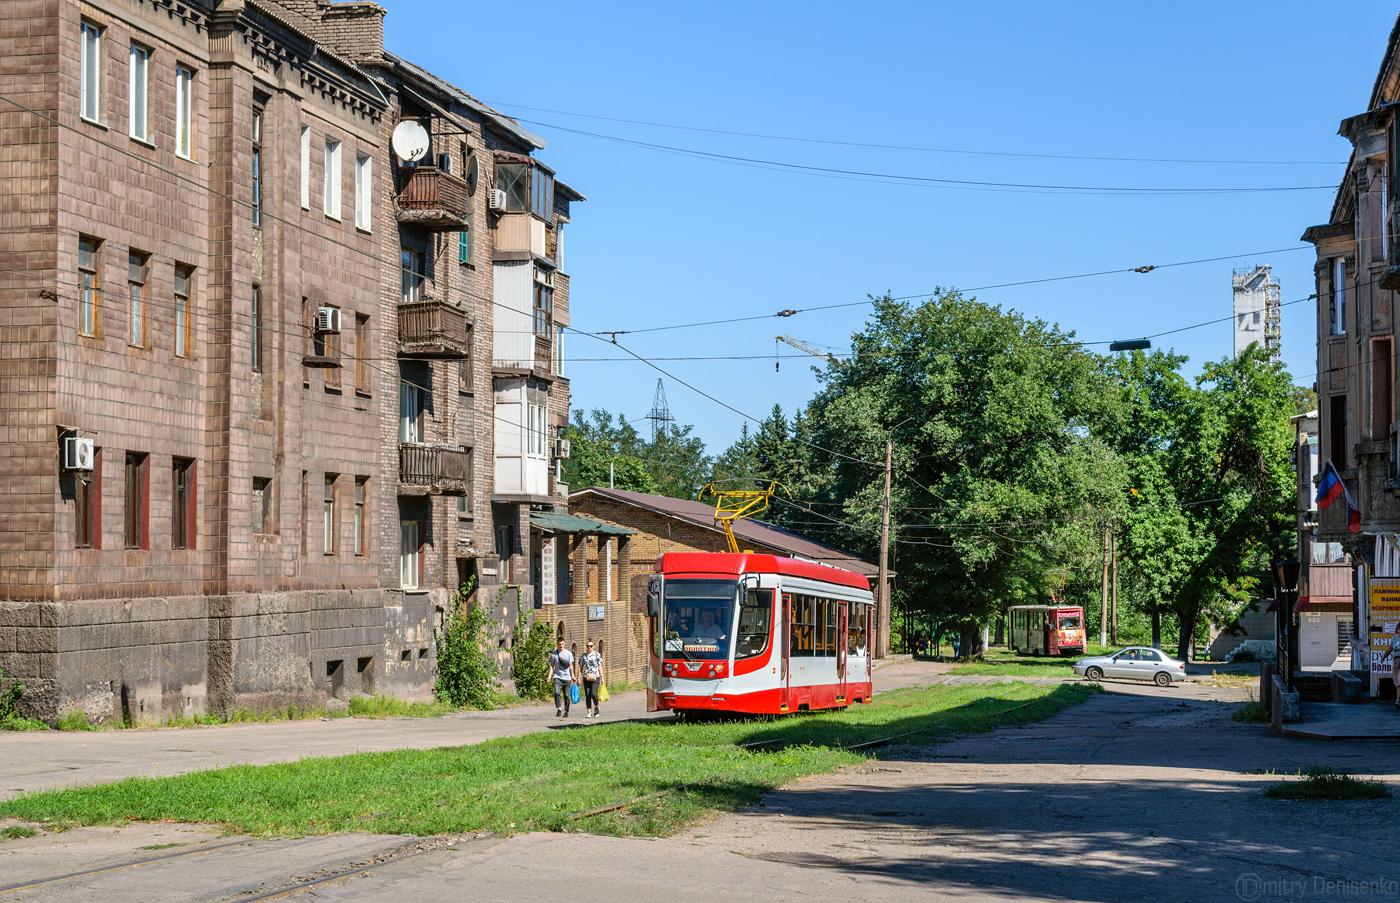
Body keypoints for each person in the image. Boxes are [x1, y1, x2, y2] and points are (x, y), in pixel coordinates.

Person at [549, 638, 576, 717]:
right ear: (557, 644)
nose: (561, 646)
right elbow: (551, 666)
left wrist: (573, 676)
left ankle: (566, 711)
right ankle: (559, 708)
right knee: (556, 692)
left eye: (562, 644)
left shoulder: (568, 654)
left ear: (564, 644)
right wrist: (549, 676)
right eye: (559, 644)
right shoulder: (554, 654)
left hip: (567, 677)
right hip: (557, 676)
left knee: (566, 695)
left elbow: (571, 666)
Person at [580, 639, 603, 719]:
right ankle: (589, 712)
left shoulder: (597, 655)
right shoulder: (584, 656)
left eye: (591, 646)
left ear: (593, 646)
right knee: (587, 694)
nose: (589, 647)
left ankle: (596, 707)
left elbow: (600, 666)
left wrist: (602, 677)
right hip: (587, 676)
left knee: (593, 693)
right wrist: (578, 677)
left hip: (595, 676)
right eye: (587, 646)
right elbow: (581, 667)